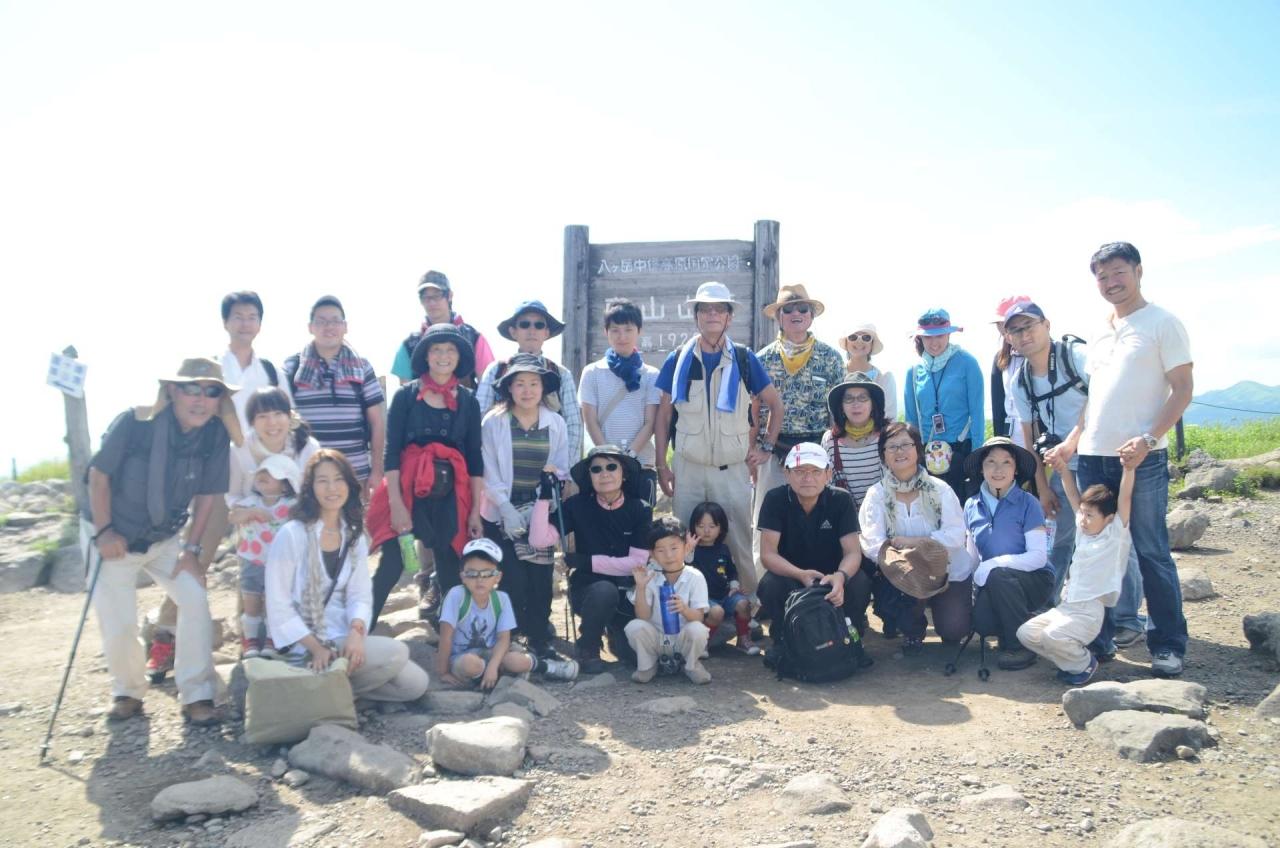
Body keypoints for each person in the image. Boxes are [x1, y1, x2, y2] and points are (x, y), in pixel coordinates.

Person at [80, 357, 241, 725]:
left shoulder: (215, 435)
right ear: (172, 391)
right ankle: (127, 692)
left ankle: (197, 695)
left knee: (194, 599)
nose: (201, 399)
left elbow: (208, 495)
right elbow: (99, 477)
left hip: (164, 538)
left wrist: (192, 550)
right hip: (112, 533)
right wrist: (104, 533)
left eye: (211, 391)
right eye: (192, 388)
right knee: (118, 622)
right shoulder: (135, 423)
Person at [1075, 242, 1193, 677]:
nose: (1110, 283)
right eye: (1102, 276)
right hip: (1092, 456)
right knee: (1098, 549)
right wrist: (1072, 441)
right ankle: (1099, 639)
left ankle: (1168, 644)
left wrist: (1148, 438)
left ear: (1138, 271)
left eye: (1118, 272)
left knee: (1150, 550)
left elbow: (1183, 389)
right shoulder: (1100, 330)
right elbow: (1094, 398)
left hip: (1141, 457)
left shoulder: (1163, 323)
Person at [265, 450, 429, 702]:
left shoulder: (353, 536)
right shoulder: (292, 534)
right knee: (396, 652)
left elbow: (359, 595)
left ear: (349, 485)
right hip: (304, 642)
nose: (332, 488)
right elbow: (278, 606)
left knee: (414, 684)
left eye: (338, 479)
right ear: (310, 488)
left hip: (342, 636)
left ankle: (330, 690)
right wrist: (316, 648)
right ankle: (330, 688)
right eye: (322, 481)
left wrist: (356, 632)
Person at [654, 281, 783, 594]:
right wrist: (661, 465)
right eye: (705, 309)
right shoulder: (678, 359)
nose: (712, 314)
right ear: (696, 316)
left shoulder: (744, 359)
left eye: (719, 309)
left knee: (738, 538)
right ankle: (685, 606)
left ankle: (747, 604)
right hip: (688, 467)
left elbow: (775, 404)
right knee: (684, 541)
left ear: (729, 317)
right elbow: (664, 415)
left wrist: (766, 446)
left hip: (732, 468)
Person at [366, 323, 485, 629]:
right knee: (391, 565)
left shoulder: (469, 401)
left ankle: (451, 639)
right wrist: (396, 505)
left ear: (459, 357)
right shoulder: (406, 397)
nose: (443, 356)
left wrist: (474, 511)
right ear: (426, 356)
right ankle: (358, 631)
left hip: (449, 494)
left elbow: (475, 458)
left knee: (449, 567)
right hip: (407, 490)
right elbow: (391, 452)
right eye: (436, 349)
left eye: (450, 350)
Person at [530, 445, 652, 674]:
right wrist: (544, 496)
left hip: (630, 595)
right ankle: (588, 646)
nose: (604, 473)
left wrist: (586, 561)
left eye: (611, 467)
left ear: (624, 473)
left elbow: (637, 563)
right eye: (596, 469)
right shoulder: (576, 506)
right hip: (588, 592)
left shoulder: (640, 509)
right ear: (590, 476)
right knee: (604, 590)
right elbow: (538, 540)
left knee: (633, 657)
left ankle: (614, 633)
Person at [480, 355, 571, 660]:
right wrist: (505, 507)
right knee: (513, 577)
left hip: (539, 509)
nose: (527, 390)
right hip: (500, 510)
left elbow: (560, 468)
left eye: (534, 383)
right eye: (520, 383)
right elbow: (488, 469)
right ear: (509, 388)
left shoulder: (555, 423)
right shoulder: (494, 421)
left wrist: (540, 505)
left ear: (543, 387)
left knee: (540, 577)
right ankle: (511, 637)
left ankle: (539, 637)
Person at [751, 284, 845, 577]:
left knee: (822, 520)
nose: (796, 314)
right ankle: (764, 586)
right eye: (788, 309)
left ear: (811, 315)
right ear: (778, 317)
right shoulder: (761, 359)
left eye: (803, 309)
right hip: (774, 450)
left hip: (818, 453)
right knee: (766, 520)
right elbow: (752, 409)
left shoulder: (831, 357)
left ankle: (825, 581)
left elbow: (838, 410)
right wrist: (755, 449)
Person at [1018, 452, 1134, 685]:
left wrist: (1129, 469)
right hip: (1066, 606)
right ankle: (1070, 662)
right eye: (1082, 513)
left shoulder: (1115, 535)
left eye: (1090, 515)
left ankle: (1082, 664)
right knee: (1026, 633)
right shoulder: (1083, 531)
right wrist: (1062, 468)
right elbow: (1072, 494)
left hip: (1089, 611)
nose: (1083, 519)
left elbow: (1125, 498)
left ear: (1108, 518)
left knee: (1052, 636)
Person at [859, 422, 974, 652]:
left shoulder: (940, 489)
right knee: (902, 602)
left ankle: (948, 609)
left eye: (906, 444)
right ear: (883, 455)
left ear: (918, 449)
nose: (899, 451)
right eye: (892, 446)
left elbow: (955, 534)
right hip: (902, 573)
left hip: (948, 570)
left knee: (954, 629)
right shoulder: (876, 494)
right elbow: (871, 542)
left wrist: (916, 545)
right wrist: (903, 561)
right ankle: (912, 629)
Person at [1004, 301, 1093, 591]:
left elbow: (1102, 396)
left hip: (1099, 457)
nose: (1024, 334)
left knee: (1107, 534)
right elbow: (1029, 441)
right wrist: (1042, 488)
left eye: (1029, 325)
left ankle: (1119, 612)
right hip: (1061, 463)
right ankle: (1048, 601)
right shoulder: (1021, 381)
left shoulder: (1076, 356)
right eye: (1016, 330)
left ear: (1046, 325)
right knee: (1058, 538)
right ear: (1009, 339)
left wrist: (1073, 440)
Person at [757, 443, 871, 643]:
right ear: (786, 473)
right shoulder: (775, 499)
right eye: (800, 471)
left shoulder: (841, 499)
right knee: (770, 585)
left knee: (860, 581)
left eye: (816, 471)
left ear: (828, 474)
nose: (808, 478)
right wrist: (800, 574)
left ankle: (849, 633)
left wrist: (840, 576)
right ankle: (784, 635)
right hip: (791, 574)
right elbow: (768, 554)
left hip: (832, 575)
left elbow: (852, 552)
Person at [436, 538, 577, 687]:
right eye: (472, 574)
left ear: (498, 577)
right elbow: (446, 637)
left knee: (516, 660)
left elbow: (503, 639)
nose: (479, 579)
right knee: (470, 664)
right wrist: (443, 672)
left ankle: (548, 667)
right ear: (462, 576)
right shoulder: (456, 596)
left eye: (487, 573)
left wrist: (493, 666)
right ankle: (493, 677)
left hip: (493, 652)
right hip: (461, 656)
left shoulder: (501, 599)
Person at [283, 296, 386, 498]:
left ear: (345, 327)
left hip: (354, 474)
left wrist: (376, 470)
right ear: (310, 327)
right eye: (321, 321)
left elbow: (377, 423)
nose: (328, 327)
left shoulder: (362, 367)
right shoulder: (293, 368)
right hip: (307, 477)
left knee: (355, 520)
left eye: (335, 321)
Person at [963, 436, 1051, 671]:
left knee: (999, 574)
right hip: (993, 582)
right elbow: (972, 558)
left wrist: (993, 564)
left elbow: (1038, 557)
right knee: (982, 623)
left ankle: (1020, 646)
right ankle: (1021, 623)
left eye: (1006, 462)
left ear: (1016, 469)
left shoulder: (1029, 503)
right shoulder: (971, 505)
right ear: (981, 469)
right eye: (991, 462)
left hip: (1035, 580)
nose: (998, 470)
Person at [476, 300, 583, 462]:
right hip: (501, 462)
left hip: (550, 463)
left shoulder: (561, 374)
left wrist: (564, 469)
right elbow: (480, 416)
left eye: (539, 325)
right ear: (513, 332)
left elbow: (573, 425)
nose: (532, 330)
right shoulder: (496, 370)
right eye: (525, 324)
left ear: (546, 332)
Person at [578, 300, 661, 503]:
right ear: (606, 332)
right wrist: (611, 458)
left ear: (639, 331)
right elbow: (590, 421)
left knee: (641, 522)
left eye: (628, 329)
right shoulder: (592, 372)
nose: (622, 336)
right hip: (604, 470)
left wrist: (628, 457)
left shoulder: (651, 375)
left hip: (640, 465)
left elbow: (650, 422)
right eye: (615, 330)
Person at [903, 308, 985, 501]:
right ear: (920, 338)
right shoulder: (913, 371)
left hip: (960, 452)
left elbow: (977, 413)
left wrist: (977, 458)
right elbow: (911, 420)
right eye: (928, 337)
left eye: (939, 335)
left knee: (959, 509)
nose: (934, 342)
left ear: (949, 334)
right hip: (926, 455)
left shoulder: (967, 363)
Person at [626, 516, 712, 684]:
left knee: (698, 630)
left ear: (686, 547)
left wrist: (684, 609)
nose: (669, 555)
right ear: (652, 554)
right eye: (660, 550)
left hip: (682, 639)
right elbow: (642, 617)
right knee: (634, 627)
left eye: (674, 548)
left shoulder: (695, 577)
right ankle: (648, 666)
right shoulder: (650, 576)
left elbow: (699, 617)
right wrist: (641, 587)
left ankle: (691, 665)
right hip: (658, 639)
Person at [229, 454, 300, 658]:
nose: (263, 476)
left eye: (271, 474)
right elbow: (232, 516)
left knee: (273, 602)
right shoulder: (251, 502)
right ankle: (251, 642)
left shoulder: (291, 505)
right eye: (261, 473)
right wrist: (252, 513)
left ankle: (272, 640)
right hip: (252, 560)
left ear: (285, 485)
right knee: (250, 601)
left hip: (279, 563)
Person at [391, 271, 495, 389]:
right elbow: (405, 389)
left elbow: (486, 387)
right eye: (426, 297)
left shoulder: (474, 338)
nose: (431, 302)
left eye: (437, 295)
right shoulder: (409, 345)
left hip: (467, 401)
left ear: (449, 296)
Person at [689, 501, 758, 655]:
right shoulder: (692, 551)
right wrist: (688, 550)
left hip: (725, 594)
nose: (706, 531)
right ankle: (703, 643)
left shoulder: (724, 549)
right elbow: (685, 566)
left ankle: (743, 639)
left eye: (712, 526)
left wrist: (734, 585)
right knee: (717, 612)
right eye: (701, 526)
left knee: (744, 604)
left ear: (721, 528)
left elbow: (732, 570)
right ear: (693, 526)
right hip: (704, 598)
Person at [822, 375, 889, 511]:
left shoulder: (888, 436)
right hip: (845, 516)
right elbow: (827, 486)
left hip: (885, 514)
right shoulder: (830, 440)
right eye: (849, 399)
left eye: (863, 398)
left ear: (873, 404)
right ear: (841, 406)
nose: (856, 404)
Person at [990, 295, 1031, 447]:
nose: (1002, 327)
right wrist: (1000, 444)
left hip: (1038, 439)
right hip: (1011, 441)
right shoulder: (1000, 358)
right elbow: (998, 407)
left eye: (1006, 321)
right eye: (999, 323)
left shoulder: (1043, 355)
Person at [839, 322, 897, 422]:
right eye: (853, 337)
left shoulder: (884, 378)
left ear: (872, 344)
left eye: (866, 338)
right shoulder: (835, 374)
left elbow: (890, 417)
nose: (859, 341)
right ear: (846, 343)